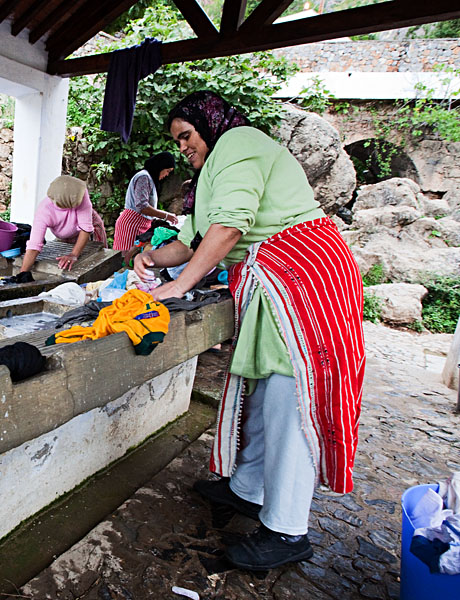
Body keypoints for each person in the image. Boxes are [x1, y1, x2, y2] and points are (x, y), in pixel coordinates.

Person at [134, 91, 365, 570]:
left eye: (186, 136)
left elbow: (231, 227)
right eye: (177, 141)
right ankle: (248, 489)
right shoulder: (210, 176)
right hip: (273, 278)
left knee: (291, 396)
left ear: (209, 124)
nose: (183, 148)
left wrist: (180, 285)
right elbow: (191, 240)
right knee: (263, 391)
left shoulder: (239, 141)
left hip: (303, 272)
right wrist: (151, 258)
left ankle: (286, 529)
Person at [19, 175, 107, 273]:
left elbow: (85, 228)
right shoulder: (44, 211)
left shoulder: (80, 193)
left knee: (97, 260)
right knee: (67, 266)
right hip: (65, 233)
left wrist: (74, 254)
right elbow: (34, 246)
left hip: (90, 227)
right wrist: (23, 273)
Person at [112, 152, 177, 252]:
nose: (167, 174)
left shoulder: (149, 179)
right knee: (125, 259)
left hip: (140, 225)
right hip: (131, 225)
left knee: (134, 258)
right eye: (167, 171)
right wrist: (166, 215)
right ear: (160, 166)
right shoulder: (144, 177)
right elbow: (142, 206)